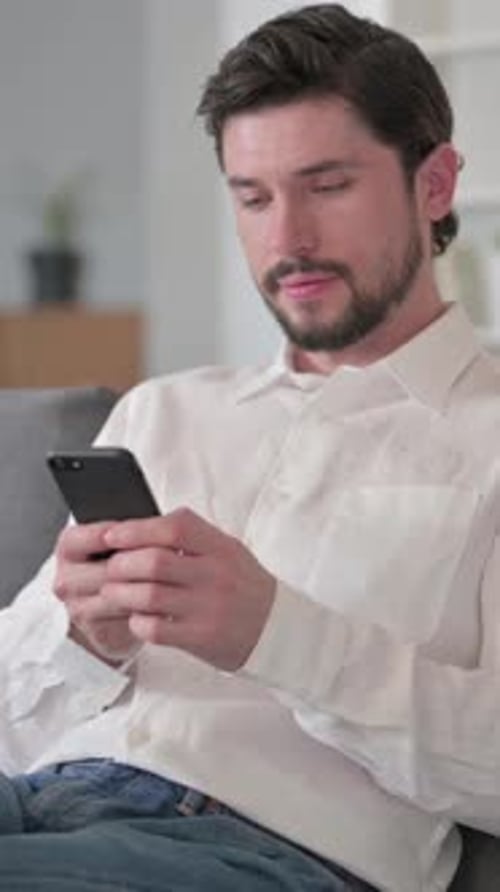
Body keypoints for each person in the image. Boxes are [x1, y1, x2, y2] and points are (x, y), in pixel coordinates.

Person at [0, 3, 499, 890]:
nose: (287, 239)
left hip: (254, 853)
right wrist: (81, 636)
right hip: (40, 799)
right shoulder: (164, 412)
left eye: (328, 186)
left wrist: (276, 634)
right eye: (254, 197)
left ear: (433, 183)